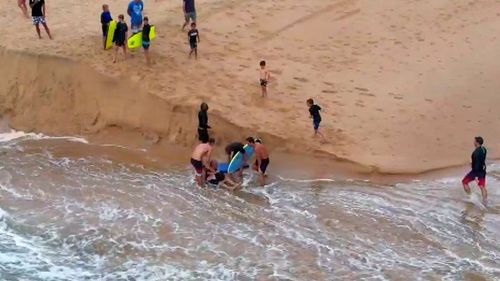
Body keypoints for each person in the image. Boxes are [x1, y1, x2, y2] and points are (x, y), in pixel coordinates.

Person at [462, 136, 488, 205]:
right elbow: (480, 160)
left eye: (474, 141)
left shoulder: (475, 153)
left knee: (464, 182)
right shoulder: (484, 149)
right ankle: (485, 202)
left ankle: (470, 196)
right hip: (483, 170)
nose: (473, 142)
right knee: (482, 186)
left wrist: (476, 175)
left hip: (476, 172)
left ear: (477, 142)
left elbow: (477, 163)